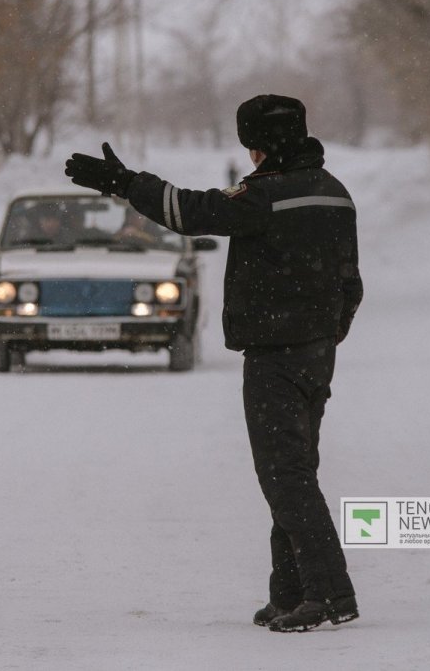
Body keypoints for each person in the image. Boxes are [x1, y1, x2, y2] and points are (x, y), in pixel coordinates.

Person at [65, 95, 363, 633]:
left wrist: (125, 183)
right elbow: (351, 281)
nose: (248, 154)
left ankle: (330, 593)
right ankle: (290, 591)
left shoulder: (265, 196)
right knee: (295, 472)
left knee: (285, 475)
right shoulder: (334, 192)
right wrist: (327, 333)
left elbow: (191, 211)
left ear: (261, 146)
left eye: (250, 143)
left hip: (275, 355)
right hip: (318, 354)